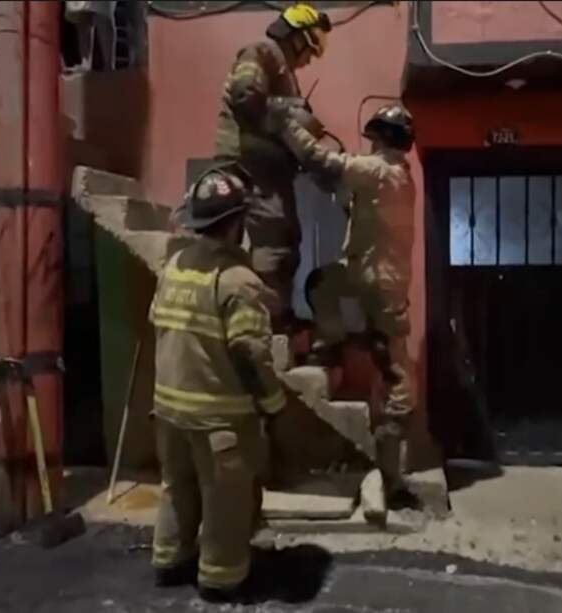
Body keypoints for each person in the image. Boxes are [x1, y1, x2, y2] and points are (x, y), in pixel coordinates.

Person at [149, 165, 285, 603]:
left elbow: (160, 327)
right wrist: (273, 402)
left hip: (168, 412)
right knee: (226, 499)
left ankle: (169, 561)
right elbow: (251, 353)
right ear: (237, 224)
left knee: (177, 488)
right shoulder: (238, 282)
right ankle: (221, 580)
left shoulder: (173, 266)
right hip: (219, 420)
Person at [273, 104, 417, 499]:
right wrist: (341, 194)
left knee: (395, 373)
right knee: (322, 284)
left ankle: (392, 468)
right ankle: (332, 344)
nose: (370, 144)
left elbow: (320, 159)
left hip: (378, 284)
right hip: (370, 276)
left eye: (374, 138)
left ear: (383, 139)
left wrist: (287, 125)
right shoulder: (398, 177)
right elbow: (364, 210)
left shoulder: (377, 169)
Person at [212, 2, 332, 332]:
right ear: (297, 38)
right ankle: (265, 319)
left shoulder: (281, 70)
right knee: (274, 242)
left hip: (266, 168)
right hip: (246, 163)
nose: (308, 60)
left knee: (287, 237)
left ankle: (274, 312)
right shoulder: (261, 52)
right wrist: (292, 111)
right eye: (309, 50)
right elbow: (245, 95)